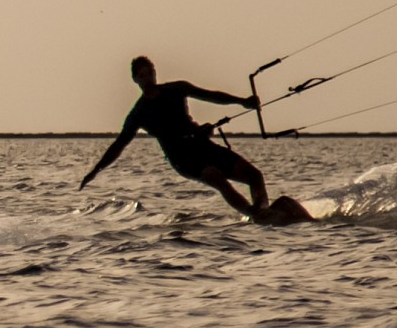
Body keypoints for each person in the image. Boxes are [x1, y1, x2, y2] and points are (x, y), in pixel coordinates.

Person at [79, 55, 272, 218]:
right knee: (217, 177)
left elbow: (210, 95)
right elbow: (119, 145)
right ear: (136, 80)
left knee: (255, 176)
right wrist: (95, 170)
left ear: (155, 72)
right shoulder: (139, 113)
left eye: (151, 73)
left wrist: (242, 101)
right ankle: (254, 215)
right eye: (143, 76)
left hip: (202, 145)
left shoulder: (176, 89)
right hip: (183, 159)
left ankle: (265, 211)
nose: (149, 79)